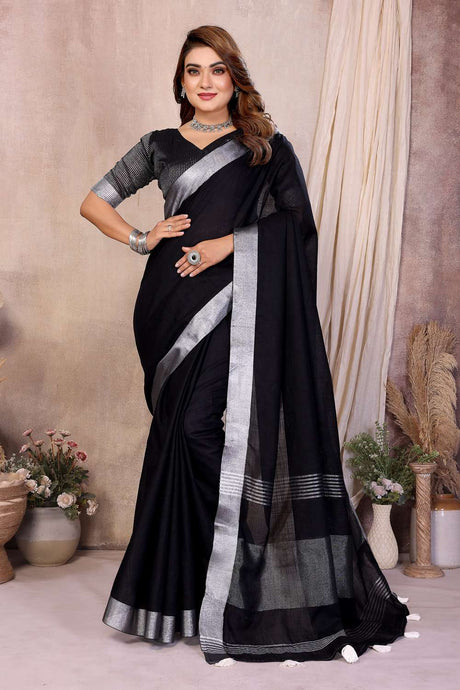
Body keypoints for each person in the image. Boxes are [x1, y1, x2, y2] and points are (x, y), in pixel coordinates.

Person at [80, 25, 415, 666]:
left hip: (235, 306)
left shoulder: (264, 147)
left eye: (217, 70)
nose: (205, 82)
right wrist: (142, 238)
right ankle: (200, 588)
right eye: (193, 71)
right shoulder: (159, 146)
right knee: (177, 437)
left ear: (235, 79)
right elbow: (95, 201)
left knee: (197, 433)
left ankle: (252, 559)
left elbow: (296, 224)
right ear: (181, 83)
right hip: (165, 310)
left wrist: (227, 244)